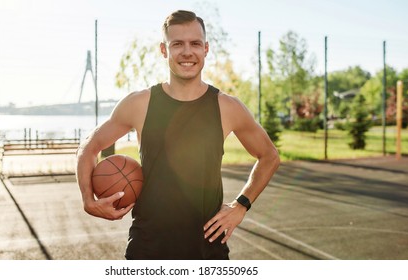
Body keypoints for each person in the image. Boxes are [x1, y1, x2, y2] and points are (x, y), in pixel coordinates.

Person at [76, 10, 280, 260]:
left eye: (195, 43)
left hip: (208, 248)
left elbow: (269, 155)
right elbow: (90, 145)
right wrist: (88, 199)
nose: (187, 52)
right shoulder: (140, 104)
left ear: (205, 49)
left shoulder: (227, 107)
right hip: (148, 247)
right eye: (177, 44)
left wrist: (241, 205)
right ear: (164, 50)